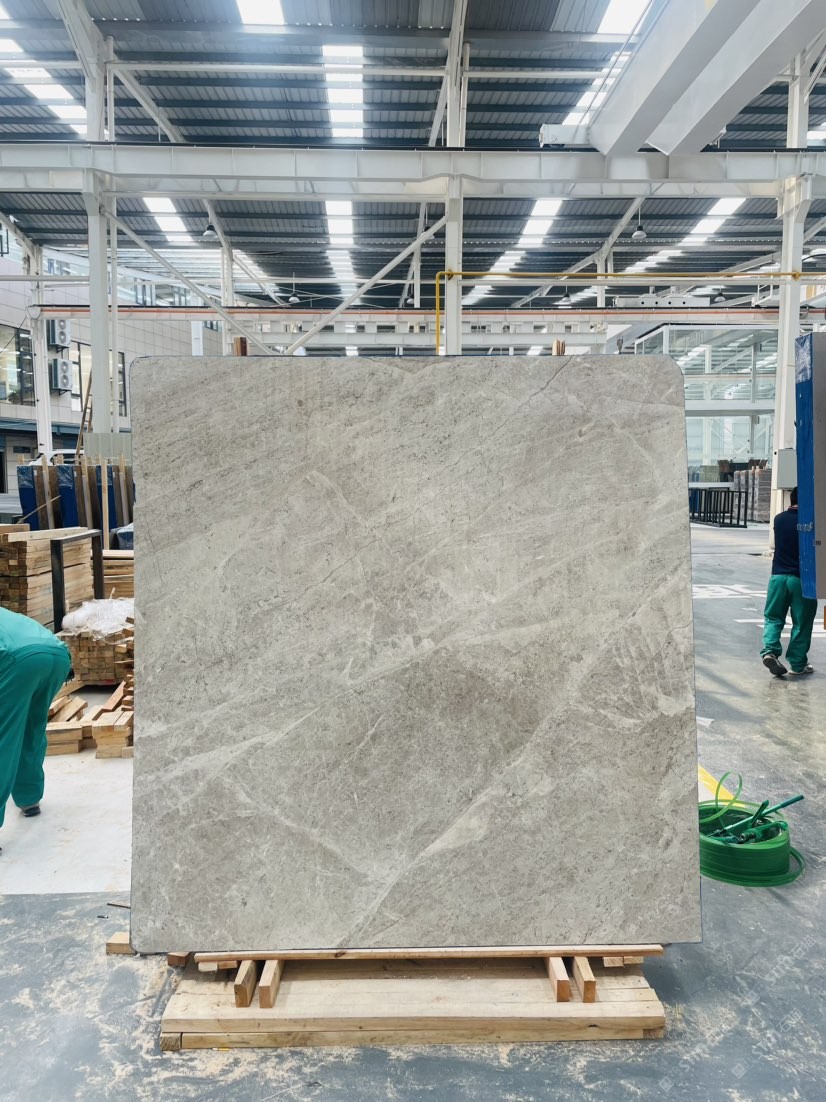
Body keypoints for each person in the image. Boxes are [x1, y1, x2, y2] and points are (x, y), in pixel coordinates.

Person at [0, 607, 71, 852]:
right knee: (32, 728)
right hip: (57, 656)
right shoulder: (7, 615)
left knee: (4, 739)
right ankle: (29, 798)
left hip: (18, 661)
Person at [761, 487, 818, 678]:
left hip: (777, 577)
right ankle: (798, 663)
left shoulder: (779, 519)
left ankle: (770, 652)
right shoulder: (812, 522)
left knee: (773, 618)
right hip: (802, 580)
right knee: (802, 623)